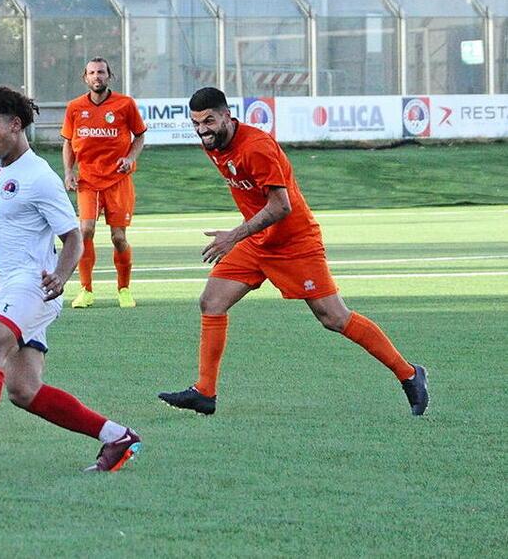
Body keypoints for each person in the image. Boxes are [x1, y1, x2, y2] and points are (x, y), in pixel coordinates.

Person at [0, 86, 141, 478]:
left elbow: (73, 237)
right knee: (23, 390)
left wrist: (61, 277)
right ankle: (118, 436)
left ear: (15, 125)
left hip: (33, 285)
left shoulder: (40, 177)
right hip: (3, 289)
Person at [158, 87, 429, 417]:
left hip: (294, 242)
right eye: (196, 123)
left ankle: (409, 374)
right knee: (212, 301)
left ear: (227, 116)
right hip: (258, 241)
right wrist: (244, 235)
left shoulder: (256, 147)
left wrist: (234, 236)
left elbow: (281, 206)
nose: (202, 130)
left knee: (334, 318)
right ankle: (205, 392)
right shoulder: (213, 144)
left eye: (209, 121)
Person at [61, 57, 147, 309]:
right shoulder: (75, 107)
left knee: (118, 238)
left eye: (101, 72)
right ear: (85, 78)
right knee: (85, 231)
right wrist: (68, 171)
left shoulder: (125, 104)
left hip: (118, 181)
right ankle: (86, 290)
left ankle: (124, 290)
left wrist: (130, 158)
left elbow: (140, 136)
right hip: (87, 181)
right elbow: (68, 142)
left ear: (109, 76)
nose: (96, 76)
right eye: (92, 73)